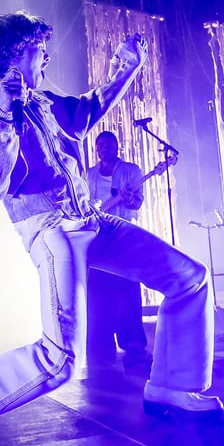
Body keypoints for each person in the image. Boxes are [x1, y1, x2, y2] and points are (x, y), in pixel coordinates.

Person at [0, 11, 222, 446]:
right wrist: (0, 114)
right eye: (40, 52)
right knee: (60, 361)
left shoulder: (39, 99)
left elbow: (85, 110)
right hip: (50, 229)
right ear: (17, 57)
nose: (48, 59)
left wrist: (127, 68)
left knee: (189, 278)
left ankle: (174, 385)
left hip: (90, 220)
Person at [85, 130, 152, 372]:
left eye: (109, 144)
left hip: (123, 236)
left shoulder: (130, 171)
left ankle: (133, 345)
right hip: (97, 239)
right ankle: (100, 346)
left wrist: (128, 199)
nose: (104, 148)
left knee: (126, 289)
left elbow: (137, 203)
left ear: (117, 146)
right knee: (98, 291)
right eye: (100, 144)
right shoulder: (89, 174)